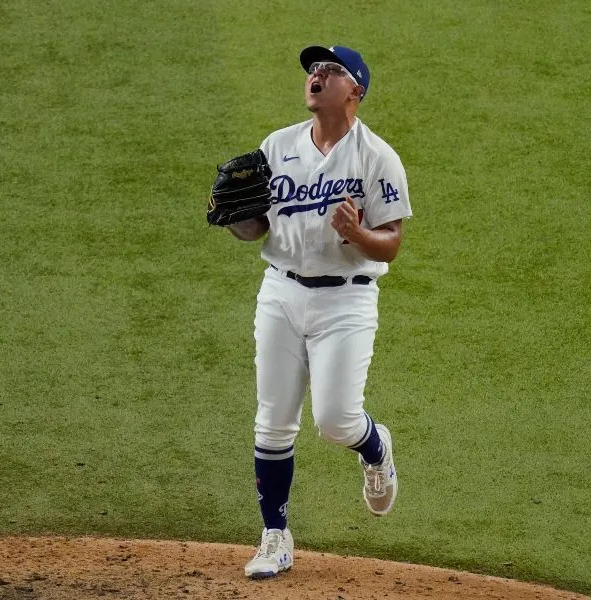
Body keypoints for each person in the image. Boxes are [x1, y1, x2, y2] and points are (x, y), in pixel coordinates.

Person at [225, 44, 413, 579]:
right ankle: (275, 536)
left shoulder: (377, 157)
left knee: (335, 422)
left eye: (329, 70)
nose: (315, 75)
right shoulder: (276, 146)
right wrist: (232, 219)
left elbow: (393, 242)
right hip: (280, 294)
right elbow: (255, 227)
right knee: (273, 423)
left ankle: (375, 448)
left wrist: (357, 233)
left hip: (346, 300)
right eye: (313, 69)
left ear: (354, 91)